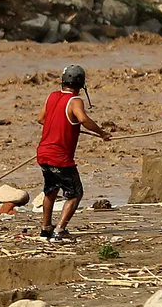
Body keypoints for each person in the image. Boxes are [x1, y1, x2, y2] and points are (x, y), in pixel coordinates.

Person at [37, 65, 111, 242]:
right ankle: (60, 229)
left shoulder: (52, 96)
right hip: (60, 157)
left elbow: (41, 119)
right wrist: (102, 133)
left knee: (51, 190)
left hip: (43, 153)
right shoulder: (75, 101)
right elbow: (83, 119)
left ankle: (45, 228)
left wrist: (64, 126)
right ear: (81, 85)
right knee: (75, 193)